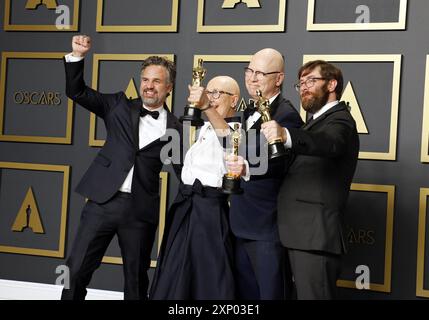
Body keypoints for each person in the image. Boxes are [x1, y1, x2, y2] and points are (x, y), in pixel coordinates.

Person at [61, 35, 182, 300]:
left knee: (136, 281)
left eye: (157, 81)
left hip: (140, 211)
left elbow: (184, 173)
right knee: (76, 270)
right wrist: (77, 56)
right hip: (102, 203)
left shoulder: (176, 127)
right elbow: (77, 91)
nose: (149, 86)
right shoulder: (117, 105)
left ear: (169, 87)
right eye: (146, 80)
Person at [260, 60, 359, 299]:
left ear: (332, 84)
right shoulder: (315, 123)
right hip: (298, 234)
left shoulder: (341, 121)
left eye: (311, 81)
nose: (304, 87)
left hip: (315, 237)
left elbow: (330, 144)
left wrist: (285, 134)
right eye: (301, 83)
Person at [149, 76, 241, 300]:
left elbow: (229, 140)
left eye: (218, 93)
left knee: (207, 277)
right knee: (175, 272)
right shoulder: (204, 129)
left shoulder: (238, 129)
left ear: (235, 100)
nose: (210, 98)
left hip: (209, 212)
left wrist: (207, 107)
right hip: (185, 208)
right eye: (209, 93)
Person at [228, 48, 303, 299]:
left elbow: (281, 164)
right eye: (249, 71)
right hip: (240, 222)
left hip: (267, 228)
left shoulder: (287, 115)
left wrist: (246, 168)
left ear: (279, 78)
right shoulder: (249, 111)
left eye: (260, 73)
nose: (252, 78)